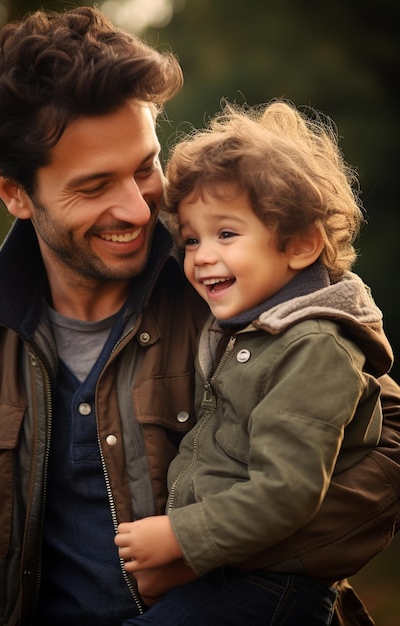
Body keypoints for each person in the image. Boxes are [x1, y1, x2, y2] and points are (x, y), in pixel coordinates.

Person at [0, 6, 398, 625]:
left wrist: (199, 554)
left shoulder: (250, 280)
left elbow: (387, 463)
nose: (137, 208)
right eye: (94, 187)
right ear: (13, 191)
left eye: (145, 167)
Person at [114, 101, 398, 625]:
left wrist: (180, 538)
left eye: (226, 234)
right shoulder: (252, 331)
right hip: (232, 573)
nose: (199, 257)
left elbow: (286, 490)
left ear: (300, 245)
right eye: (192, 239)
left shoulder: (314, 345)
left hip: (271, 588)